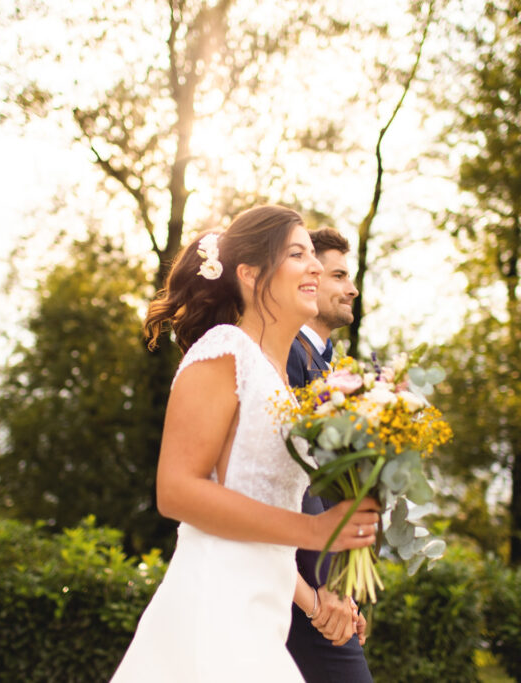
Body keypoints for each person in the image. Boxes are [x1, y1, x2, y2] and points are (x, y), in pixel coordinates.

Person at [110, 205, 380, 682]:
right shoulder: (224, 350)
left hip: (263, 615)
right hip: (215, 610)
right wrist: (314, 532)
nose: (315, 265)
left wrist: (317, 595)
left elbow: (259, 519)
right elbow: (176, 491)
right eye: (298, 254)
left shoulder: (282, 386)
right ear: (251, 274)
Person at [285, 228, 374, 683]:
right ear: (310, 279)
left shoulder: (331, 366)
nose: (352, 288)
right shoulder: (290, 357)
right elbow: (298, 481)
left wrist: (350, 589)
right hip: (303, 582)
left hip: (326, 583)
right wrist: (324, 590)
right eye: (339, 275)